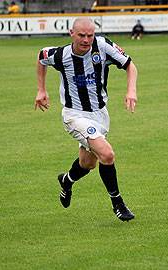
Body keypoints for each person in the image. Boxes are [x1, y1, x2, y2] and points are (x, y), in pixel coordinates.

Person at [35, 18, 138, 222]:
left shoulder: (103, 46)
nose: (86, 40)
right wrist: (41, 89)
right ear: (71, 33)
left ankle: (66, 180)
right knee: (107, 154)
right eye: (81, 35)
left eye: (90, 35)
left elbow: (130, 65)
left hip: (100, 115)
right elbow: (41, 57)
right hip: (75, 115)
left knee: (88, 163)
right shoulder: (61, 55)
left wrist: (131, 90)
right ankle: (118, 203)